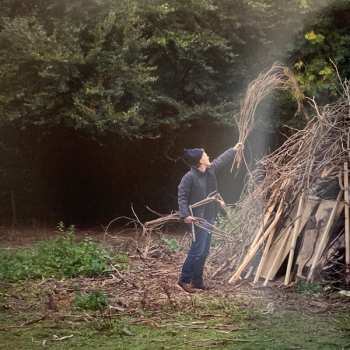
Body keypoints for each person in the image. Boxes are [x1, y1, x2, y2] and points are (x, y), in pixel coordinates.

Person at [177, 143, 242, 293]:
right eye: (205, 154)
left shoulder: (209, 170)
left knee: (205, 250)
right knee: (197, 250)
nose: (208, 156)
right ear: (200, 160)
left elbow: (221, 160)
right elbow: (182, 196)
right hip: (197, 219)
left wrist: (234, 149)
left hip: (209, 216)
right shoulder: (189, 177)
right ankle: (184, 280)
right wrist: (185, 215)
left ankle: (197, 281)